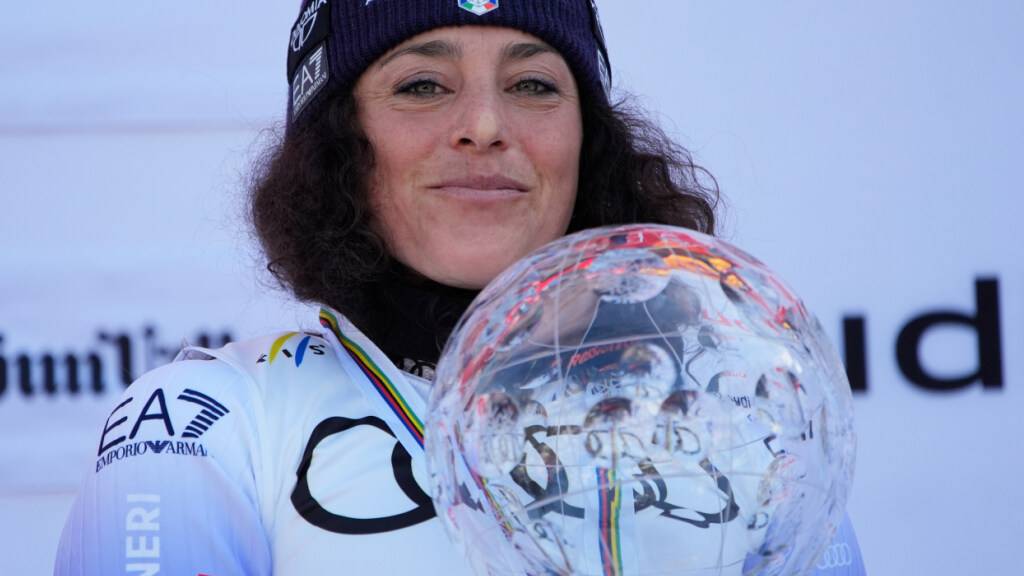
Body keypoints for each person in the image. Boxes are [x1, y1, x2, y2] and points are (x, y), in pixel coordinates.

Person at [54, 1, 865, 574]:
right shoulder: (211, 424)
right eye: (423, 85)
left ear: (590, 140)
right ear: (339, 144)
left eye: (533, 84)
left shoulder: (730, 413)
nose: (485, 125)